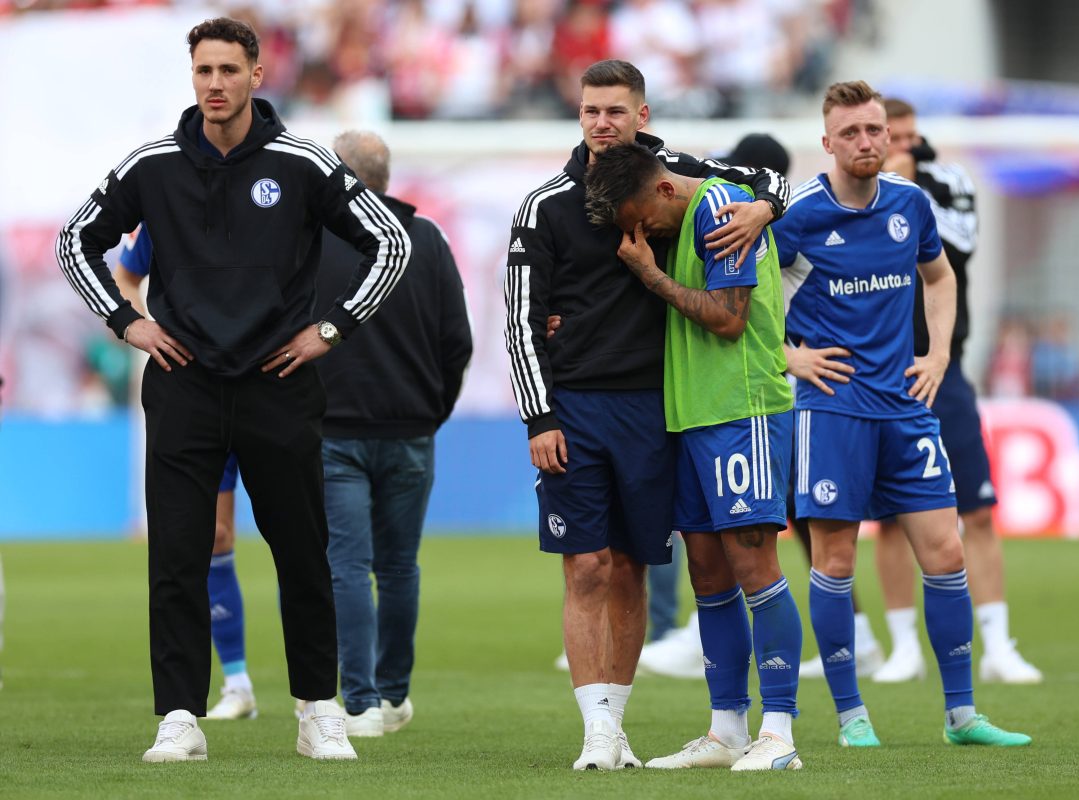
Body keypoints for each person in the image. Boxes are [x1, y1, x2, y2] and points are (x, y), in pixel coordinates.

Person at [55, 17, 409, 762]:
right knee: (177, 557)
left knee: (302, 552)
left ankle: (317, 709)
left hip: (278, 383)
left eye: (227, 69)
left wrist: (331, 330)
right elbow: (74, 239)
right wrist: (127, 322)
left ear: (256, 74)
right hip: (183, 385)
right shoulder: (152, 165)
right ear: (194, 77)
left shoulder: (302, 161)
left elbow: (393, 242)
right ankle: (178, 718)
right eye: (203, 70)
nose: (214, 83)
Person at [503, 59, 788, 771]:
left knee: (640, 566)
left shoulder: (682, 177)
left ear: (642, 115)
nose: (602, 122)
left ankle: (739, 731)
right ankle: (604, 732)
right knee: (592, 566)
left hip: (665, 409)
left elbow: (769, 181)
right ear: (579, 114)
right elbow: (518, 321)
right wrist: (539, 418)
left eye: (615, 111)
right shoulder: (545, 205)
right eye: (590, 110)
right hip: (578, 409)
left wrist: (764, 206)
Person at [773, 80, 1030, 747]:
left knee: (945, 553)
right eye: (850, 133)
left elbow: (940, 277)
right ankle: (852, 716)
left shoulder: (911, 204)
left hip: (906, 408)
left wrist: (938, 352)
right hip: (831, 412)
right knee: (833, 561)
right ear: (826, 142)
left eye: (874, 130)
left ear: (889, 136)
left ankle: (962, 716)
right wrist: (789, 359)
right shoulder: (799, 215)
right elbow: (742, 299)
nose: (864, 142)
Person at [586, 143, 803, 771]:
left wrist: (649, 275)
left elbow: (729, 320)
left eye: (642, 219)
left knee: (753, 563)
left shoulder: (720, 210)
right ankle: (728, 729)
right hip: (692, 417)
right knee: (707, 572)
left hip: (742, 410)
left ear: (662, 191)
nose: (641, 233)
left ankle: (780, 734)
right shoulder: (683, 216)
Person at [868, 98, 1042, 685]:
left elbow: (959, 249)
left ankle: (998, 644)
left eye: (914, 137)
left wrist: (909, 187)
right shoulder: (857, 195)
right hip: (882, 376)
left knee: (978, 510)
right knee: (890, 520)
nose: (908, 147)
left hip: (946, 370)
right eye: (899, 138)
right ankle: (902, 647)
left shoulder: (948, 182)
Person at [315, 130, 473, 738]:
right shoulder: (426, 240)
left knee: (347, 565)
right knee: (399, 566)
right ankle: (393, 694)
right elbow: (456, 340)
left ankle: (358, 703)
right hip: (411, 429)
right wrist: (433, 410)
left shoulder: (313, 240)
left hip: (332, 431)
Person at [114, 226, 261, 717]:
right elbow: (126, 275)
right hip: (198, 394)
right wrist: (143, 324)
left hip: (271, 385)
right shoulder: (163, 199)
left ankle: (314, 695)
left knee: (304, 537)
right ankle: (236, 682)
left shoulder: (277, 190)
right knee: (215, 535)